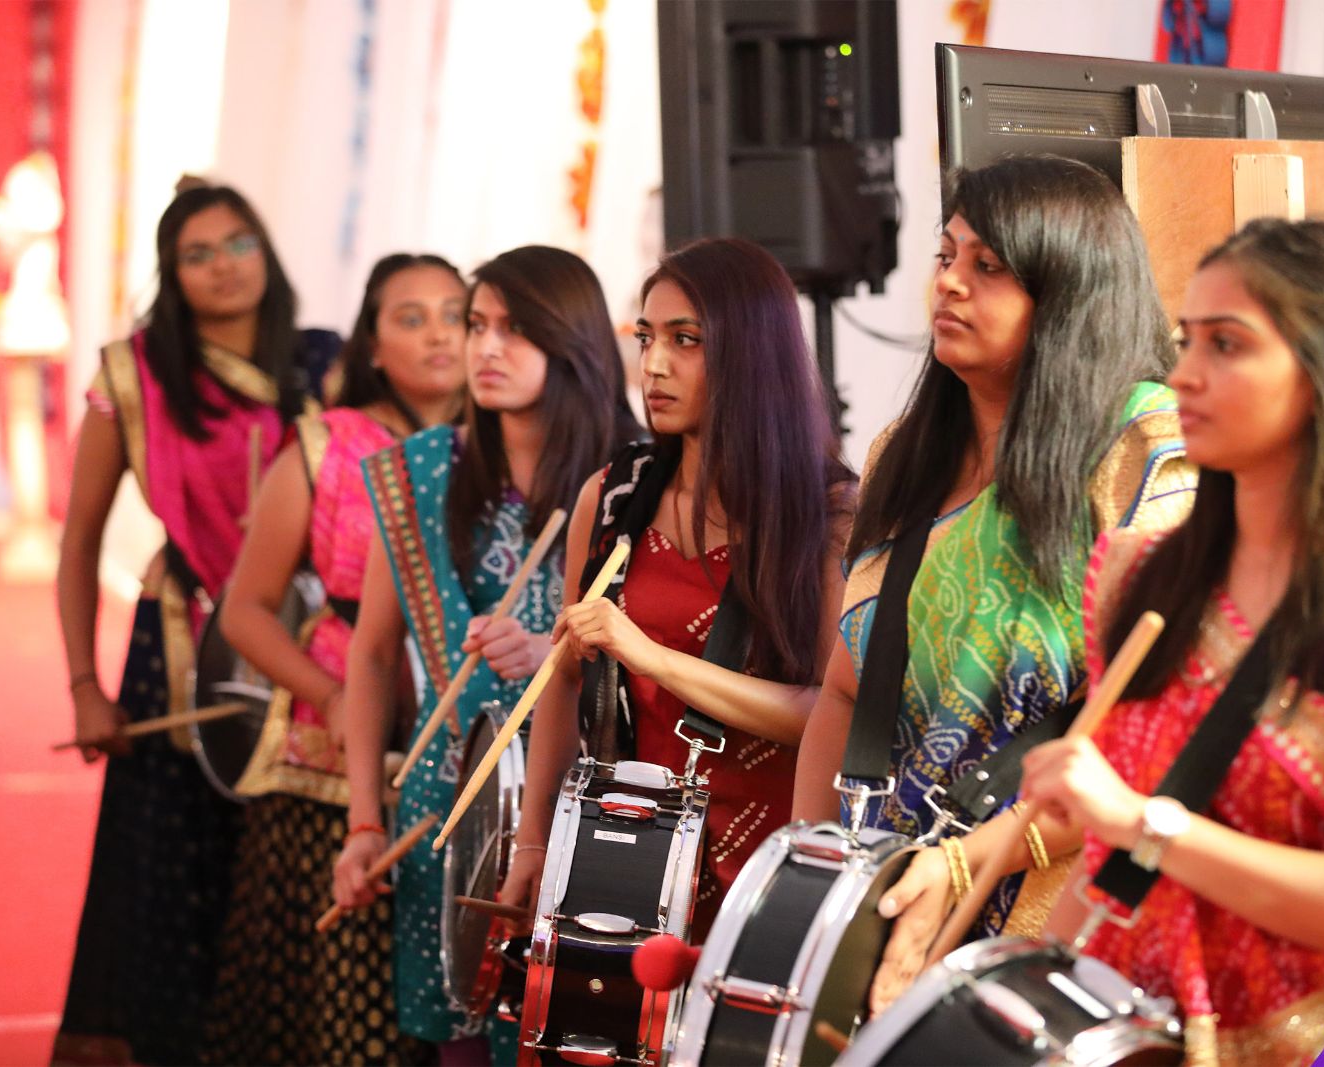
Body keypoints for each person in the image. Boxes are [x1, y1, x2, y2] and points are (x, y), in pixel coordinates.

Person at [1024, 218, 1324, 1064]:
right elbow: (1108, 869)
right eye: (1185, 340)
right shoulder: (1141, 574)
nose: (1184, 376)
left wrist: (1142, 823)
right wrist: (1035, 994)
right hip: (1128, 1031)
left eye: (1227, 345)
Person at [793, 156, 1196, 963]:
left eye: (990, 266)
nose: (949, 284)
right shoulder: (901, 455)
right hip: (884, 891)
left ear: (1070, 292)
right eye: (946, 257)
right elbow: (846, 689)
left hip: (1048, 907)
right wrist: (807, 879)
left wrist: (965, 863)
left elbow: (1145, 737)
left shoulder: (1143, 454)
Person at [53, 183, 340, 1065]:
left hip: (304, 645)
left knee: (284, 878)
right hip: (177, 650)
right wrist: (83, 688)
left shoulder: (325, 362)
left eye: (240, 244)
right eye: (200, 253)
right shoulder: (131, 378)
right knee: (170, 893)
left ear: (268, 252)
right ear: (171, 275)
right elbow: (78, 543)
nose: (225, 267)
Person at [332, 246, 641, 1062]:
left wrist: (554, 652)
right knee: (460, 1050)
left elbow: (668, 655)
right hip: (446, 814)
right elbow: (369, 658)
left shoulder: (635, 480)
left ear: (572, 342)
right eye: (478, 325)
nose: (484, 348)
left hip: (584, 821)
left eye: (514, 329)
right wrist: (365, 818)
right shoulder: (422, 472)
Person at [500, 237, 856, 939]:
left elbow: (831, 709)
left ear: (752, 353)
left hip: (766, 871)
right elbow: (563, 678)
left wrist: (653, 656)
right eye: (646, 337)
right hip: (624, 856)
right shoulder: (614, 494)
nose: (653, 365)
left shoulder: (829, 511)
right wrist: (534, 841)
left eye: (685, 340)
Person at [199, 253, 468, 1064]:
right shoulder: (324, 446)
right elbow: (243, 610)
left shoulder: (501, 444)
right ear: (372, 345)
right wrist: (333, 697)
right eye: (409, 317)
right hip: (327, 766)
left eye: (455, 313)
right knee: (334, 1014)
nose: (438, 336)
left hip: (463, 758)